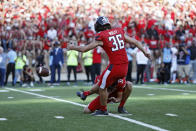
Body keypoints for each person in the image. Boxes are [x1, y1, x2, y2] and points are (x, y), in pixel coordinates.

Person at [68, 16, 151, 115]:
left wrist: (72, 47)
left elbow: (85, 49)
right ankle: (119, 107)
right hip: (125, 66)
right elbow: (136, 42)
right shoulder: (119, 31)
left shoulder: (102, 35)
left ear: (99, 26)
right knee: (115, 83)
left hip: (115, 66)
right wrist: (145, 52)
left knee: (102, 86)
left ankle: (103, 109)